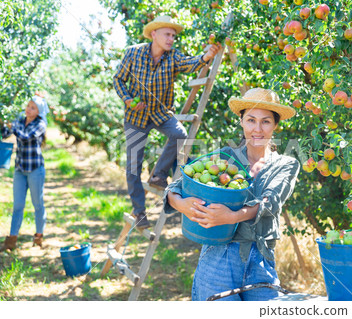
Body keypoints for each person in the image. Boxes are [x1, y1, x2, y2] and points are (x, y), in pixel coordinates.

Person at [164, 88, 300, 301]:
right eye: (251, 120)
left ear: (275, 125)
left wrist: (233, 216)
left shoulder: (286, 164)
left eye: (265, 121)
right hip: (219, 256)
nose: (257, 129)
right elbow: (177, 186)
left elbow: (270, 201)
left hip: (261, 259)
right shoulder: (226, 157)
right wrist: (181, 204)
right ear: (241, 121)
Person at [113, 15, 222, 228]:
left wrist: (207, 56)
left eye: (173, 35)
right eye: (167, 34)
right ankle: (139, 212)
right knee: (133, 165)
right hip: (136, 116)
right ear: (154, 34)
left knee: (180, 134)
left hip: (161, 112)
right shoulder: (133, 53)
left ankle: (159, 174)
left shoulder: (173, 57)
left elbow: (191, 63)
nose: (171, 39)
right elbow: (118, 79)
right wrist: (127, 100)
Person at [0, 95, 49, 251]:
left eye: (33, 107)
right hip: (20, 169)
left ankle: (38, 237)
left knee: (37, 204)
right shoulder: (20, 120)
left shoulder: (40, 124)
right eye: (28, 106)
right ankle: (11, 240)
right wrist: (2, 123)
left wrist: (13, 127)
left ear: (38, 111)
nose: (28, 109)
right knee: (18, 205)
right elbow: (5, 133)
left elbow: (26, 137)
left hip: (35, 169)